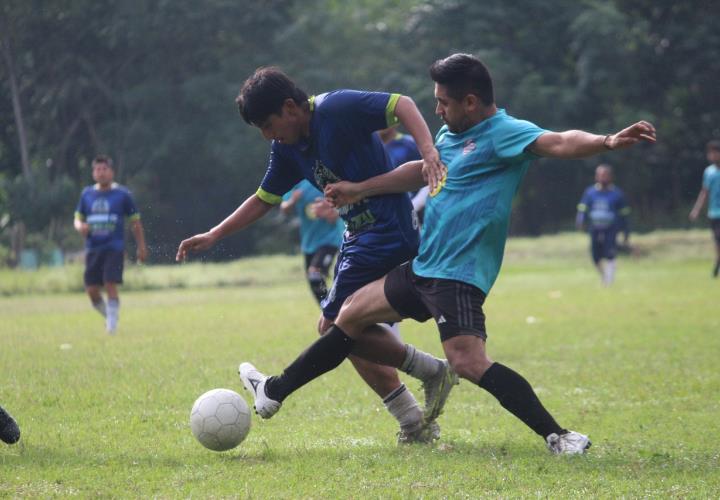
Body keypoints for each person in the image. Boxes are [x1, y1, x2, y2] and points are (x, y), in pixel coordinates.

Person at [239, 53, 656, 454]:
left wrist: (607, 141)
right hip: (423, 267)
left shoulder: (504, 133)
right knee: (344, 317)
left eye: (441, 102)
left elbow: (561, 141)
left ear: (470, 102)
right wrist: (360, 188)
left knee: (470, 362)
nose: (435, 110)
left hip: (458, 274)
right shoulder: (448, 137)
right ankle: (274, 391)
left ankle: (559, 435)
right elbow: (417, 173)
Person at [176, 67, 455, 443]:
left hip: (388, 233)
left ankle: (425, 382)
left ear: (290, 107)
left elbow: (400, 104)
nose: (266, 135)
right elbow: (264, 199)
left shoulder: (337, 108)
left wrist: (428, 151)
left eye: (267, 124)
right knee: (342, 329)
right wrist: (215, 233)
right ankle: (416, 412)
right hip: (358, 238)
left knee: (335, 330)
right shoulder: (287, 148)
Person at [74, 155, 147, 334]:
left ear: (112, 172)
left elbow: (135, 223)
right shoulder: (86, 194)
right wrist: (80, 227)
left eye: (105, 169)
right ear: (93, 173)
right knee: (91, 290)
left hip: (114, 247)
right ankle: (110, 316)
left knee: (110, 283)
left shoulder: (122, 194)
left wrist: (141, 246)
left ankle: (111, 328)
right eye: (98, 169)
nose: (101, 172)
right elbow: (77, 219)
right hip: (93, 248)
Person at [280, 179, 344, 304]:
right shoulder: (297, 183)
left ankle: (332, 310)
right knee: (313, 281)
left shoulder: (324, 179)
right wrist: (293, 200)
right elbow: (284, 208)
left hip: (330, 238)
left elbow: (342, 207)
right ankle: (330, 311)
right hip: (309, 242)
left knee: (315, 275)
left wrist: (332, 213)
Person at [576, 164, 630, 285]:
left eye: (605, 175)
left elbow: (624, 214)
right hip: (594, 228)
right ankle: (604, 275)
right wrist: (580, 220)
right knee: (595, 256)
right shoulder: (590, 192)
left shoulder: (617, 193)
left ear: (610, 177)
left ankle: (609, 282)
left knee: (609, 254)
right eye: (599, 175)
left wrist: (626, 231)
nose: (602, 177)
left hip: (611, 228)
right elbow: (582, 208)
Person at [378, 127, 429, 223]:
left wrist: (414, 205)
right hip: (387, 217)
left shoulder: (409, 143)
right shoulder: (371, 149)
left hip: (415, 216)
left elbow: (429, 175)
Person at [689, 140, 720, 278]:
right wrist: (696, 210)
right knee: (717, 240)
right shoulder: (709, 172)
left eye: (715, 152)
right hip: (714, 213)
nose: (712, 156)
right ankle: (718, 261)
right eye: (710, 153)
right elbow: (704, 193)